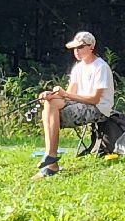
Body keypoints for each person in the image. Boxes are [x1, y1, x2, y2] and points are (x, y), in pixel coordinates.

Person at [35, 32, 115, 178]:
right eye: (74, 48)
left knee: (54, 109)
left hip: (98, 109)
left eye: (80, 47)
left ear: (91, 47)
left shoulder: (100, 67)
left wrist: (65, 95)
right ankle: (50, 156)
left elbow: (94, 99)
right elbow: (70, 94)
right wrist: (50, 95)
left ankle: (51, 161)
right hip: (80, 104)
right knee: (49, 103)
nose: (76, 51)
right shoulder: (78, 67)